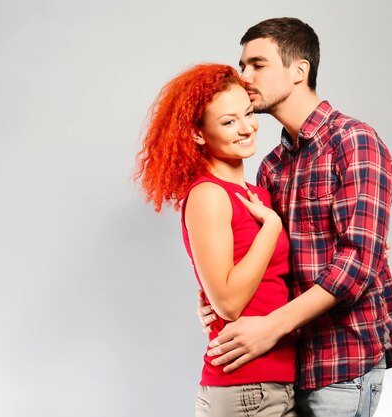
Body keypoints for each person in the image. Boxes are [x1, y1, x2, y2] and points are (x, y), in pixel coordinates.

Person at [196, 17, 392, 417]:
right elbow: (269, 262)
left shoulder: (353, 141)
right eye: (242, 65)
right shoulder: (271, 166)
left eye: (257, 64)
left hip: (342, 361)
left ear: (300, 70)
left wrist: (272, 326)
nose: (244, 77)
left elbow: (358, 262)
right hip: (284, 365)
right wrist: (215, 300)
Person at [135, 64, 298, 416]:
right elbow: (227, 303)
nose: (247, 128)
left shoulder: (257, 195)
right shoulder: (208, 195)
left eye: (249, 114)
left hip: (275, 384)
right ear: (197, 134)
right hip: (244, 390)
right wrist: (270, 229)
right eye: (228, 122)